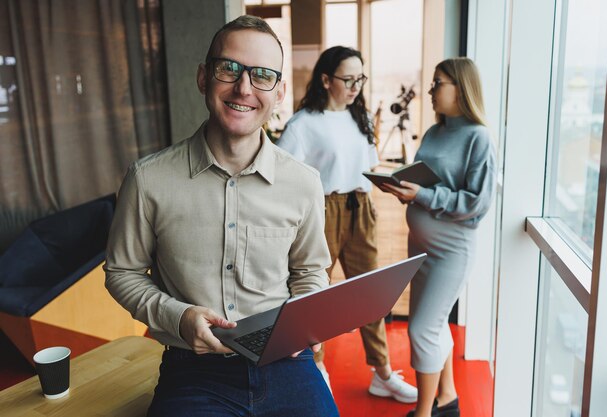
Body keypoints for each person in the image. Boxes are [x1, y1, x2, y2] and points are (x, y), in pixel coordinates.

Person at [104, 15, 339, 417]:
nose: (244, 88)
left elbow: (311, 270)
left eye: (262, 75)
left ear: (280, 92)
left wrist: (306, 317)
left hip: (286, 362)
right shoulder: (147, 179)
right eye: (228, 68)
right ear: (203, 78)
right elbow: (121, 272)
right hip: (193, 371)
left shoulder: (303, 182)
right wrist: (178, 318)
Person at [277, 45, 418, 403]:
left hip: (360, 207)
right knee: (315, 295)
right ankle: (317, 369)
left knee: (370, 294)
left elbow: (367, 167)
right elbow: (281, 176)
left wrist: (395, 182)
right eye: (348, 79)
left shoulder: (361, 119)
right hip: (323, 211)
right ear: (326, 80)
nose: (355, 86)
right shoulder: (304, 123)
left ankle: (382, 373)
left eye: (360, 78)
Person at [382, 57, 496, 417]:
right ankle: (446, 398)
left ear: (461, 89)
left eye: (437, 84)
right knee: (434, 323)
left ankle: (424, 412)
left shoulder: (478, 138)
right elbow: (427, 177)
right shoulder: (433, 132)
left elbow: (477, 202)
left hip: (451, 250)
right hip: (420, 245)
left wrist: (422, 196)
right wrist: (402, 185)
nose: (430, 91)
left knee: (421, 329)